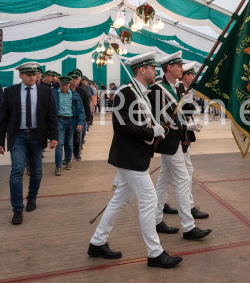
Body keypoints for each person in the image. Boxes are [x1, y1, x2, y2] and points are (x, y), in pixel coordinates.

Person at [88, 51, 182, 268]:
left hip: (136, 156)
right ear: (143, 70)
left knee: (119, 199)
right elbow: (121, 126)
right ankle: (155, 253)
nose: (156, 72)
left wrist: (159, 127)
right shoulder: (125, 92)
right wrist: (151, 132)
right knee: (149, 201)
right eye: (153, 68)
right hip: (130, 157)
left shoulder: (142, 93)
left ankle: (97, 242)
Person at [148, 51, 212, 240]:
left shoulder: (175, 88)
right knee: (183, 179)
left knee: (164, 181)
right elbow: (158, 116)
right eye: (178, 66)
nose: (182, 69)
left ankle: (156, 219)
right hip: (169, 141)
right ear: (169, 68)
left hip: (178, 139)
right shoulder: (157, 89)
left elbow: (183, 112)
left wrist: (191, 98)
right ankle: (188, 227)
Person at [0, 62, 58, 225]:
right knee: (16, 171)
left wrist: (54, 136)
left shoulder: (45, 91)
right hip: (18, 137)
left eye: (34, 74)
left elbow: (51, 115)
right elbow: (3, 118)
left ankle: (32, 198)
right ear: (21, 75)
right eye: (28, 74)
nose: (32, 77)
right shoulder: (10, 92)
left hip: (37, 136)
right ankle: (17, 209)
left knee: (37, 171)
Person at [161, 61, 209, 219]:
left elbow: (186, 111)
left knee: (165, 178)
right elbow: (171, 115)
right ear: (185, 76)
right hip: (175, 138)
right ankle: (189, 209)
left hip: (182, 136)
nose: (193, 77)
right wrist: (187, 125)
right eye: (191, 74)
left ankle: (159, 205)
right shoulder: (171, 89)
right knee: (185, 173)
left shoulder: (182, 89)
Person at [52, 76, 85, 176]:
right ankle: (58, 166)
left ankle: (68, 161)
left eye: (66, 85)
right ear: (60, 84)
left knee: (69, 143)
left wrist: (80, 122)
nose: (64, 87)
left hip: (71, 121)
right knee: (59, 144)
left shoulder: (75, 95)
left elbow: (81, 110)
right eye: (63, 85)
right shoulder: (54, 94)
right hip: (59, 121)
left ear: (69, 85)